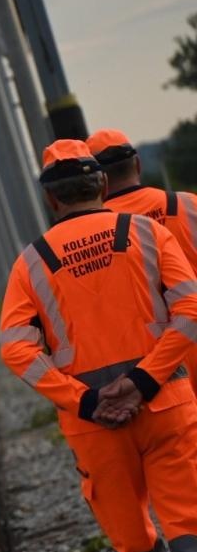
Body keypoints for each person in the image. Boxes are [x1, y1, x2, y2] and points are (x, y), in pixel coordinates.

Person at [0, 139, 197, 552]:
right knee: (190, 534)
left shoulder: (32, 262)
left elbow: (16, 349)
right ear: (103, 186)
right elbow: (189, 309)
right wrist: (144, 381)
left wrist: (85, 400)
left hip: (95, 429)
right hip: (166, 408)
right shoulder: (147, 233)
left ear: (51, 199)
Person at [91, 127, 197, 383]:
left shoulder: (95, 234)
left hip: (156, 365)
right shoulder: (188, 204)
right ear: (137, 164)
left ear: (99, 180)